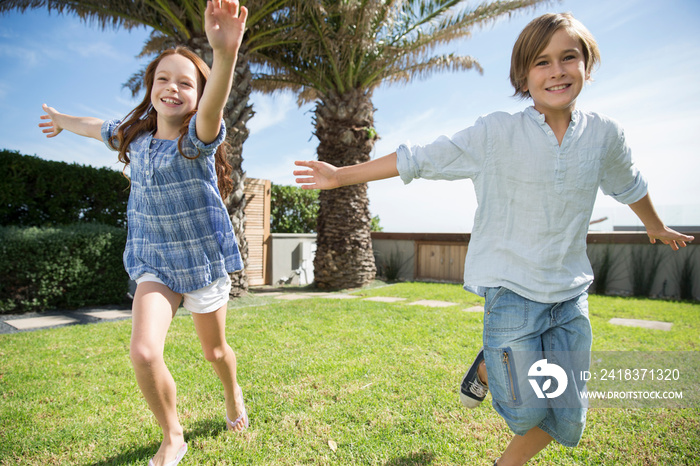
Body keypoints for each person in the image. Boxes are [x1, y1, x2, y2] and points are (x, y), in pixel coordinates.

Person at [293, 12, 693, 466]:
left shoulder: (605, 135)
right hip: (512, 295)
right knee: (526, 411)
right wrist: (341, 174)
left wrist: (654, 225)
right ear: (523, 75)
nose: (557, 71)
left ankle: (497, 419)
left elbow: (630, 184)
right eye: (542, 62)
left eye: (569, 58)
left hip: (569, 296)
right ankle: (488, 365)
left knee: (568, 416)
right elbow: (420, 158)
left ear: (587, 65)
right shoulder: (496, 132)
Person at [39, 1, 249, 465]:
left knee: (215, 351)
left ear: (198, 95)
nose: (172, 87)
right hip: (154, 262)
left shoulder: (196, 140)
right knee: (143, 351)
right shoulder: (133, 137)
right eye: (163, 79)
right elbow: (96, 127)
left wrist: (225, 53)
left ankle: (233, 394)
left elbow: (215, 103)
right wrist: (61, 121)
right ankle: (173, 436)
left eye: (186, 82)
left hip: (201, 264)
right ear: (150, 87)